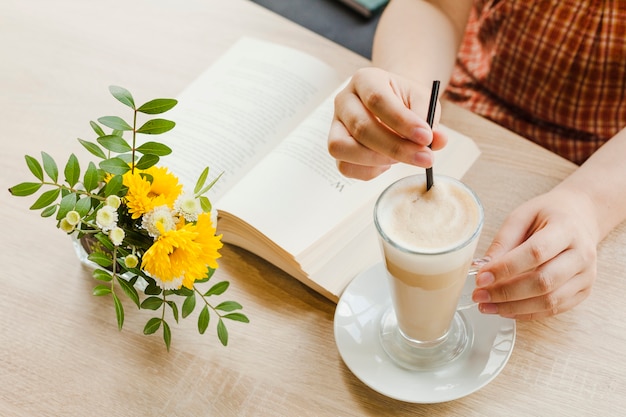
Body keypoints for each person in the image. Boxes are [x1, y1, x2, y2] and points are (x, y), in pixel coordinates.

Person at [328, 0, 626, 320]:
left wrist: (588, 204)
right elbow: (435, 6)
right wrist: (405, 89)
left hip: (597, 162)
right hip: (459, 105)